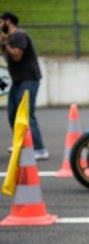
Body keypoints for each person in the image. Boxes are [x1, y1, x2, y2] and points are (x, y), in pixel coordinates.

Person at [1, 12, 48, 160]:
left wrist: (4, 43)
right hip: (18, 81)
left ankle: (39, 149)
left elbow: (16, 55)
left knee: (27, 114)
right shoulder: (10, 38)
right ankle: (21, 144)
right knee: (13, 113)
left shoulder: (19, 35)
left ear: (8, 22)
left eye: (1, 21)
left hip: (29, 80)